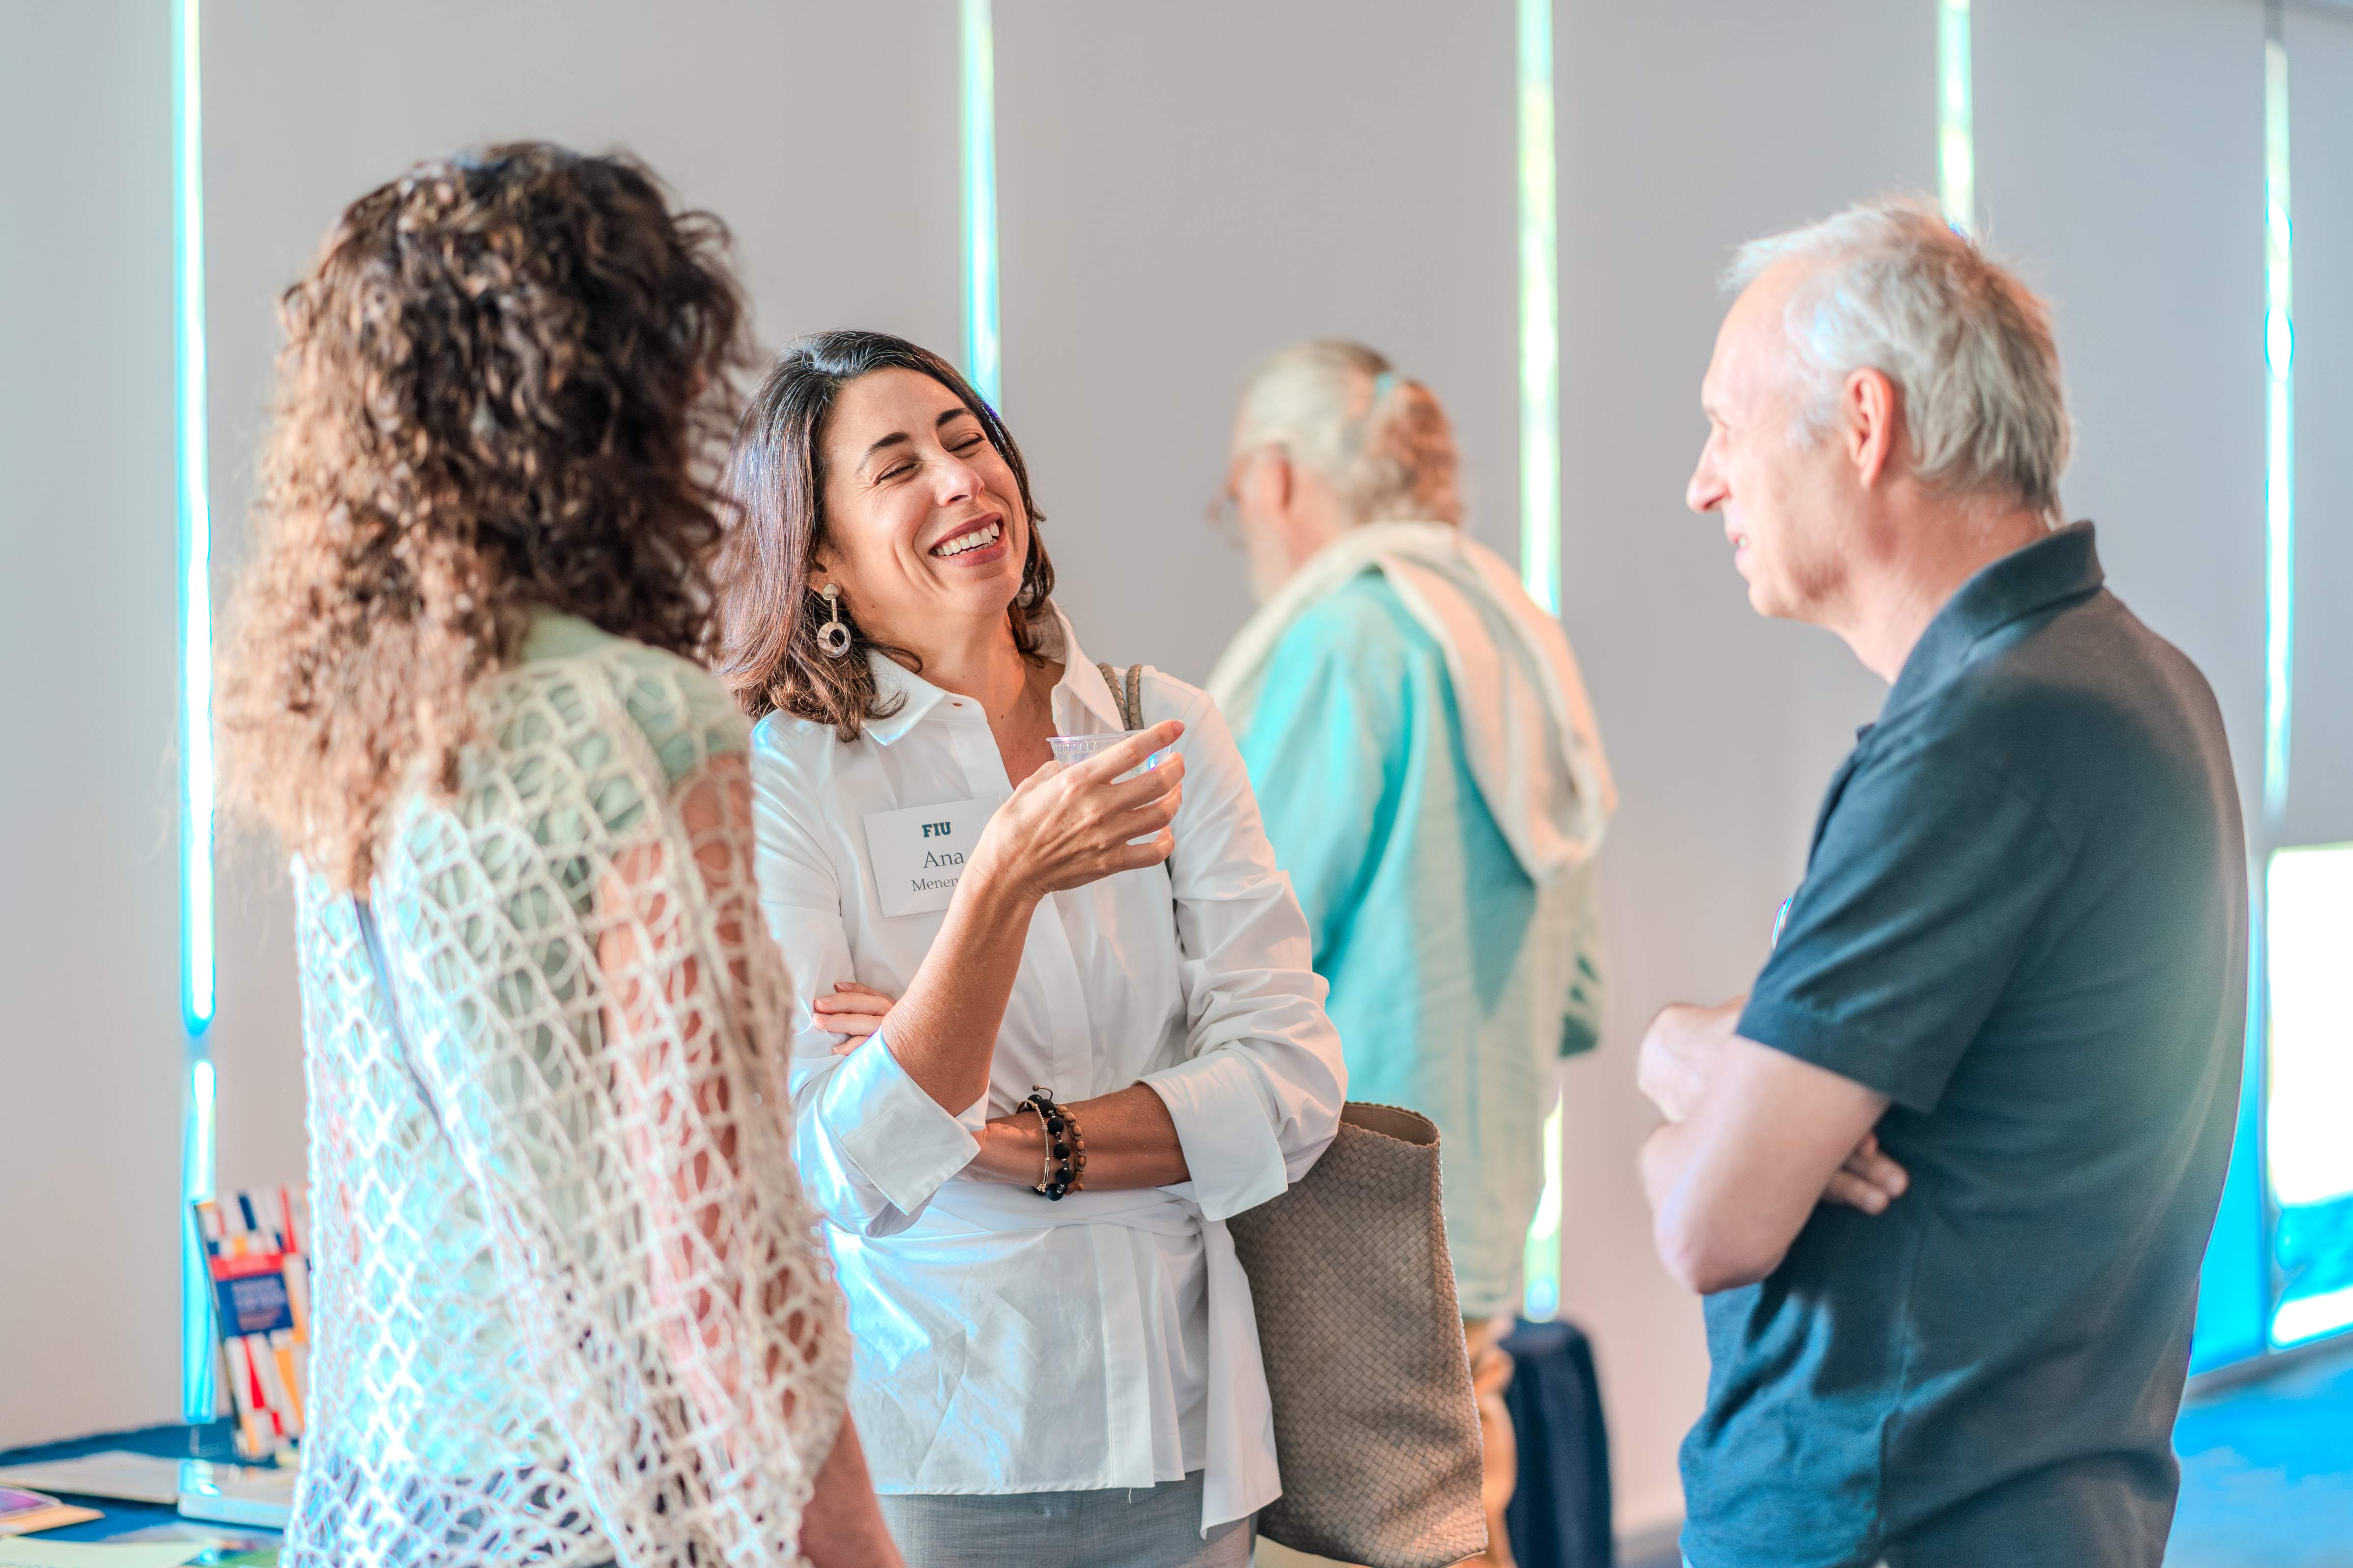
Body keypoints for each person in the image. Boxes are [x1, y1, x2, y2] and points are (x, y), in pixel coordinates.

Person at [216, 145, 900, 1568]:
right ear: (606, 401)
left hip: (389, 1493)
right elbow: (722, 1251)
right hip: (588, 1495)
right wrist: (857, 1550)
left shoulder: (364, 725)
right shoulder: (632, 722)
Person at [1644, 196, 2247, 1568]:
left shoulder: (1984, 735)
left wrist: (1702, 1106)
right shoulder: (2134, 678)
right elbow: (1777, 1055)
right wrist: (1688, 1053)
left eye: (1726, 428)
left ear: (1865, 424)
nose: (1705, 482)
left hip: (1894, 1520)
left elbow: (1708, 1219)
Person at [717, 330, 1348, 1568]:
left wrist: (1006, 1137)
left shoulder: (1161, 727)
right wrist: (998, 888)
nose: (959, 478)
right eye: (896, 464)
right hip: (939, 1446)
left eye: (969, 440)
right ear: (823, 558)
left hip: (1186, 1428)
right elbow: (834, 1164)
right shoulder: (788, 780)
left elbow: (1290, 1085)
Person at [1204, 341, 1614, 1568]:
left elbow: (1233, 946)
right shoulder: (1519, 639)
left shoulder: (1346, 642)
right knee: (1458, 1514)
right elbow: (1579, 996)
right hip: (1478, 1198)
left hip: (1336, 1203)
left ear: (1273, 479)